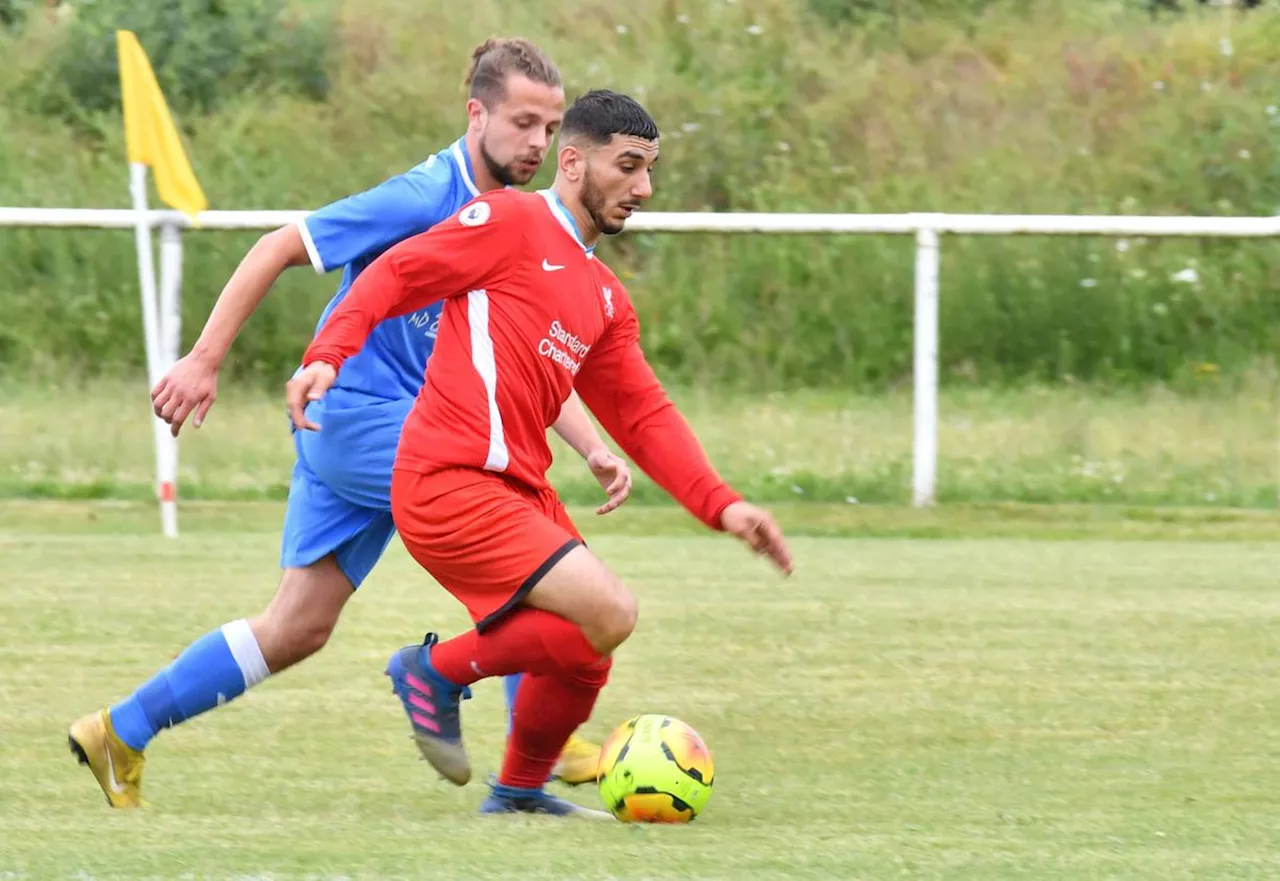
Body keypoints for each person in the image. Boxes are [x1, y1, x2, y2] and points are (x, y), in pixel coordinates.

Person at [67, 38, 626, 809]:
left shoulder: (515, 222)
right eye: (523, 122)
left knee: (296, 626)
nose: (538, 142)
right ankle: (541, 755)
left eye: (551, 126)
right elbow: (277, 246)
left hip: (374, 431)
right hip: (357, 418)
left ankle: (119, 730)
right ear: (477, 114)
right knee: (520, 538)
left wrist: (593, 444)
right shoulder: (425, 196)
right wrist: (202, 358)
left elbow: (519, 356)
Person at [288, 89, 793, 818]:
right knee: (611, 608)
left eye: (650, 170)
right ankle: (432, 670)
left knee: (589, 646)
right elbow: (393, 274)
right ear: (574, 161)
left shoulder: (605, 297)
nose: (643, 188)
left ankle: (519, 791)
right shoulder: (511, 220)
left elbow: (645, 415)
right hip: (449, 480)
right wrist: (328, 354)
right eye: (628, 167)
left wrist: (724, 502)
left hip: (517, 490)